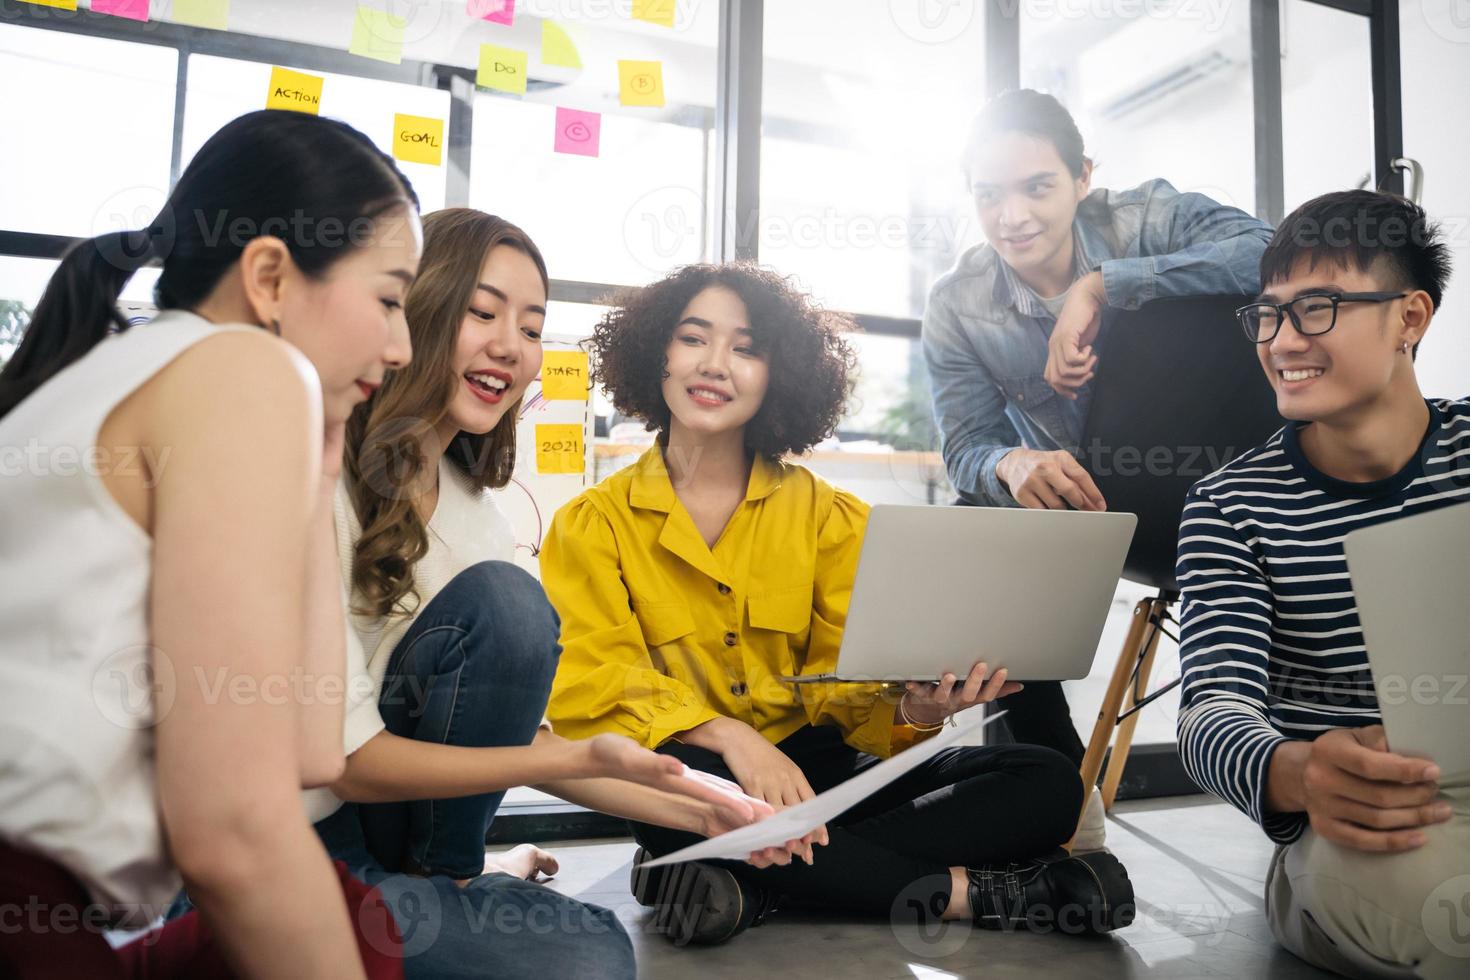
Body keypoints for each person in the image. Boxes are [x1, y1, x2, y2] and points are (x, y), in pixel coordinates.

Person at [540, 263, 1136, 947]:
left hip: (816, 773)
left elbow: (850, 702)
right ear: (657, 353)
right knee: (688, 802)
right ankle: (986, 894)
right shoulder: (591, 525)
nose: (714, 365)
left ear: (778, 374)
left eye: (747, 348)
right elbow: (594, 689)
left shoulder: (830, 518)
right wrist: (732, 738)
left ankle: (752, 880)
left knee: (1046, 780)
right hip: (687, 773)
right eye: (693, 338)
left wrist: (920, 708)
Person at [312, 208, 798, 979]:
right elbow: (342, 760)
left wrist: (709, 810)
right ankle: (439, 902)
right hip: (282, 842)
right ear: (417, 311)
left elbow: (502, 739)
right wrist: (583, 760)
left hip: (377, 840)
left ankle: (449, 884)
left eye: (533, 328)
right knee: (591, 959)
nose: (511, 345)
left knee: (598, 952)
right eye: (482, 312)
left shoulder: (475, 518)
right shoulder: (322, 470)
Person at [0, 109, 420, 978]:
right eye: (387, 299)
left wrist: (311, 476)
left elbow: (310, 754)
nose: (401, 345)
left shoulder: (146, 367)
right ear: (268, 275)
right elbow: (231, 832)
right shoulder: (238, 371)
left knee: (345, 906)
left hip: (45, 901)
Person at [921, 89, 1276, 846]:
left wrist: (1108, 286)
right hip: (1096, 511)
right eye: (989, 195)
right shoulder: (958, 304)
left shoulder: (1144, 217)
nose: (1012, 216)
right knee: (979, 525)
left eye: (1037, 187)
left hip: (1224, 492)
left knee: (1181, 302)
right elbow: (965, 447)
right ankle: (1053, 790)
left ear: (1082, 177)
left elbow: (1273, 253)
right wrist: (1013, 463)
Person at [1175, 189, 1469, 979]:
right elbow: (1212, 709)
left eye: (1317, 308)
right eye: (1268, 315)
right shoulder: (1229, 507)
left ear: (1410, 318)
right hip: (1370, 826)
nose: (1280, 341)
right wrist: (1299, 770)